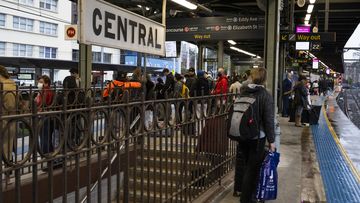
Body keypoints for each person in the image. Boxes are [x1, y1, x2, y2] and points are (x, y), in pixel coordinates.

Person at [237, 67, 276, 203]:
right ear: (265, 79)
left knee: (248, 165)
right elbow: (268, 120)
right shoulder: (265, 95)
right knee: (253, 170)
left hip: (243, 135)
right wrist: (272, 141)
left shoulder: (244, 91)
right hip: (257, 138)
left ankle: (247, 196)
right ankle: (247, 199)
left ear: (252, 77)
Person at [0, 65, 16, 165]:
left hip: (3, 120)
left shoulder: (2, 86)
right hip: (11, 120)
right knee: (8, 147)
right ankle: (8, 171)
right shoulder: (13, 85)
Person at [35, 75, 55, 155]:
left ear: (46, 83)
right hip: (48, 116)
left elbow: (42, 104)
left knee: (44, 137)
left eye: (41, 82)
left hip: (43, 116)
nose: (39, 84)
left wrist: (37, 100)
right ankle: (49, 154)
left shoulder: (46, 91)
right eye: (39, 82)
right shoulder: (45, 91)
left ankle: (45, 155)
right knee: (48, 137)